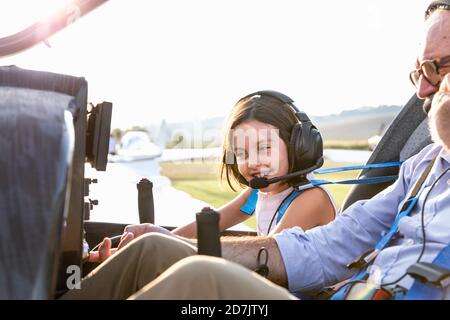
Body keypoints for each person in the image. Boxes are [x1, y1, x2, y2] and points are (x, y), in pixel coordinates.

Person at [62, 1, 450, 300]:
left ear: (296, 145)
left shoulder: (309, 199)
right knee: (152, 248)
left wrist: (197, 254)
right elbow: (322, 249)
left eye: (437, 69)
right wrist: (169, 239)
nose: (422, 91)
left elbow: (275, 268)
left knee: (196, 277)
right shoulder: (421, 168)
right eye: (419, 72)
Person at [87, 91, 336, 263]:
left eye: (264, 147)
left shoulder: (310, 199)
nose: (252, 161)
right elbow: (213, 223)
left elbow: (265, 257)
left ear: (298, 146)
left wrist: (164, 247)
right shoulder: (260, 192)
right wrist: (156, 237)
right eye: (241, 152)